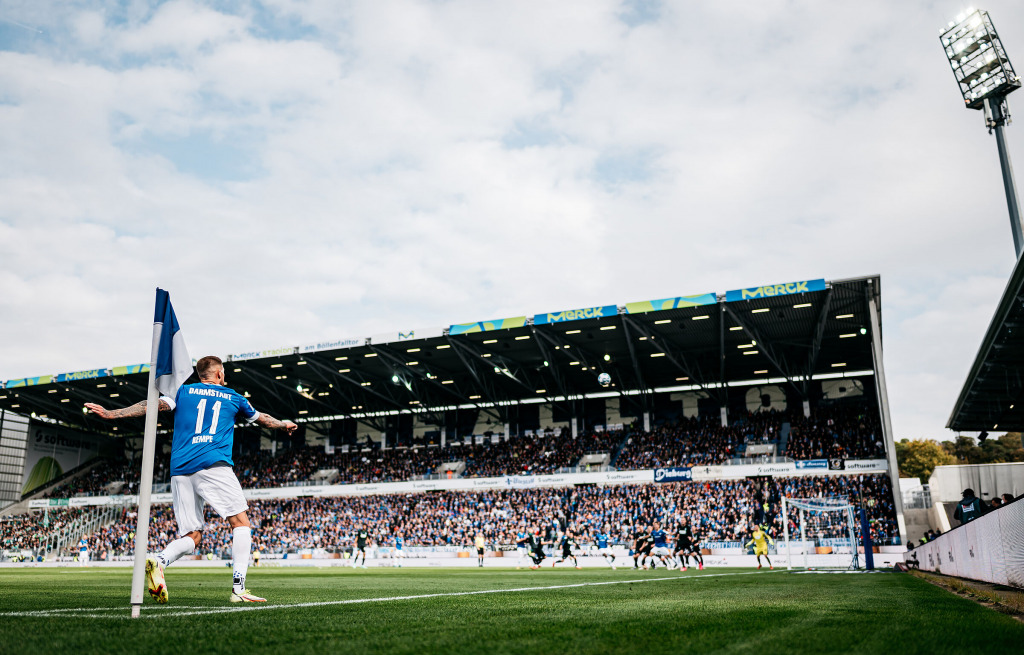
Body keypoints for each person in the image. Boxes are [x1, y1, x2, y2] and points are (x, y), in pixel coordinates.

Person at [86, 355, 296, 604]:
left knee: (193, 535)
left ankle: (160, 560)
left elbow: (151, 405)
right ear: (219, 374)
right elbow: (264, 420)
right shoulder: (233, 397)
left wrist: (112, 414)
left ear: (200, 375)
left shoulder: (182, 391)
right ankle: (238, 589)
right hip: (213, 465)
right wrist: (284, 425)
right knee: (241, 523)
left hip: (180, 470)